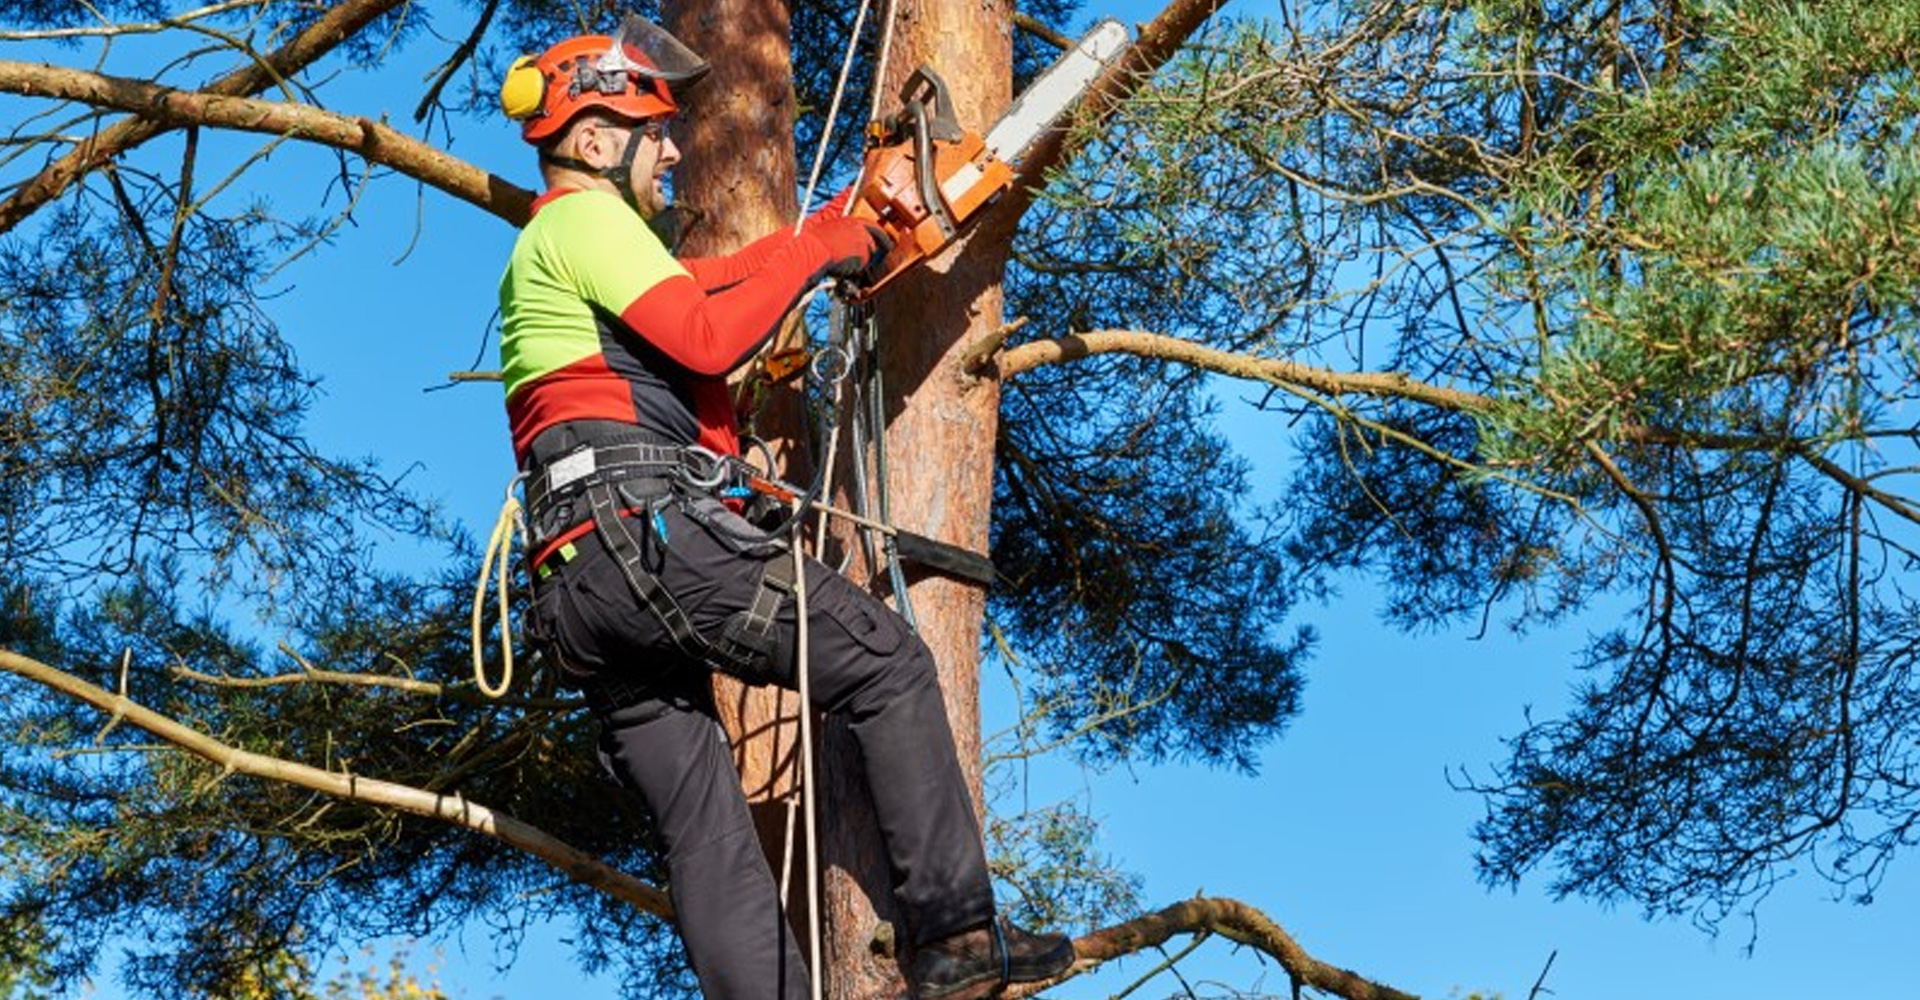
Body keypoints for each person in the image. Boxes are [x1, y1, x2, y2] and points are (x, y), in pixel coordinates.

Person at [494, 17, 1074, 1000]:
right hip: (649, 538)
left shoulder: (562, 253)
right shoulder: (582, 220)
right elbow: (710, 333)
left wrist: (826, 234)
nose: (674, 150)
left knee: (705, 824)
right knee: (888, 662)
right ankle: (957, 937)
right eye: (654, 130)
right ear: (591, 142)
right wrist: (821, 251)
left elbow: (706, 284)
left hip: (579, 583)